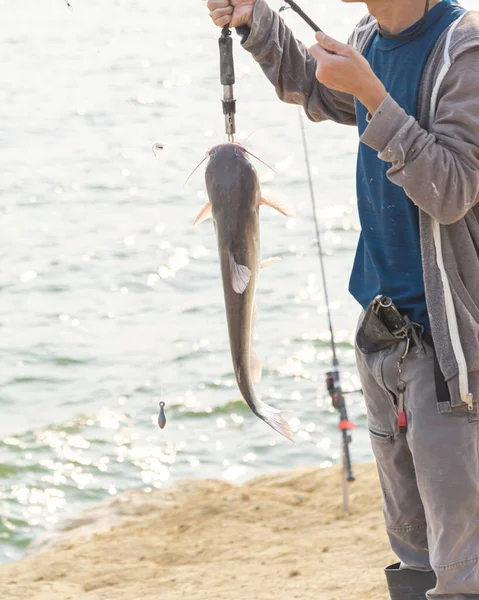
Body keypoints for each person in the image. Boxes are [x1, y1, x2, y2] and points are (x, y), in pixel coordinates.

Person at [206, 1, 479, 599]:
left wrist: (375, 97)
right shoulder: (367, 38)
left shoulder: (465, 51)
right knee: (412, 556)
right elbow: (312, 87)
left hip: (450, 350)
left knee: (464, 570)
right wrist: (254, 20)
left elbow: (454, 189)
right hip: (382, 339)